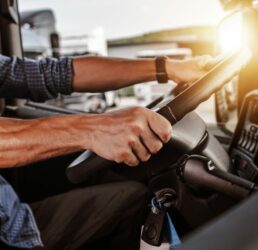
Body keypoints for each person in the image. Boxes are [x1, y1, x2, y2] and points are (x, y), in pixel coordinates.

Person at [0, 54, 212, 249]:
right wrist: (91, 129)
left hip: (14, 216)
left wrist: (168, 68)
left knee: (130, 198)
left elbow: (51, 73)